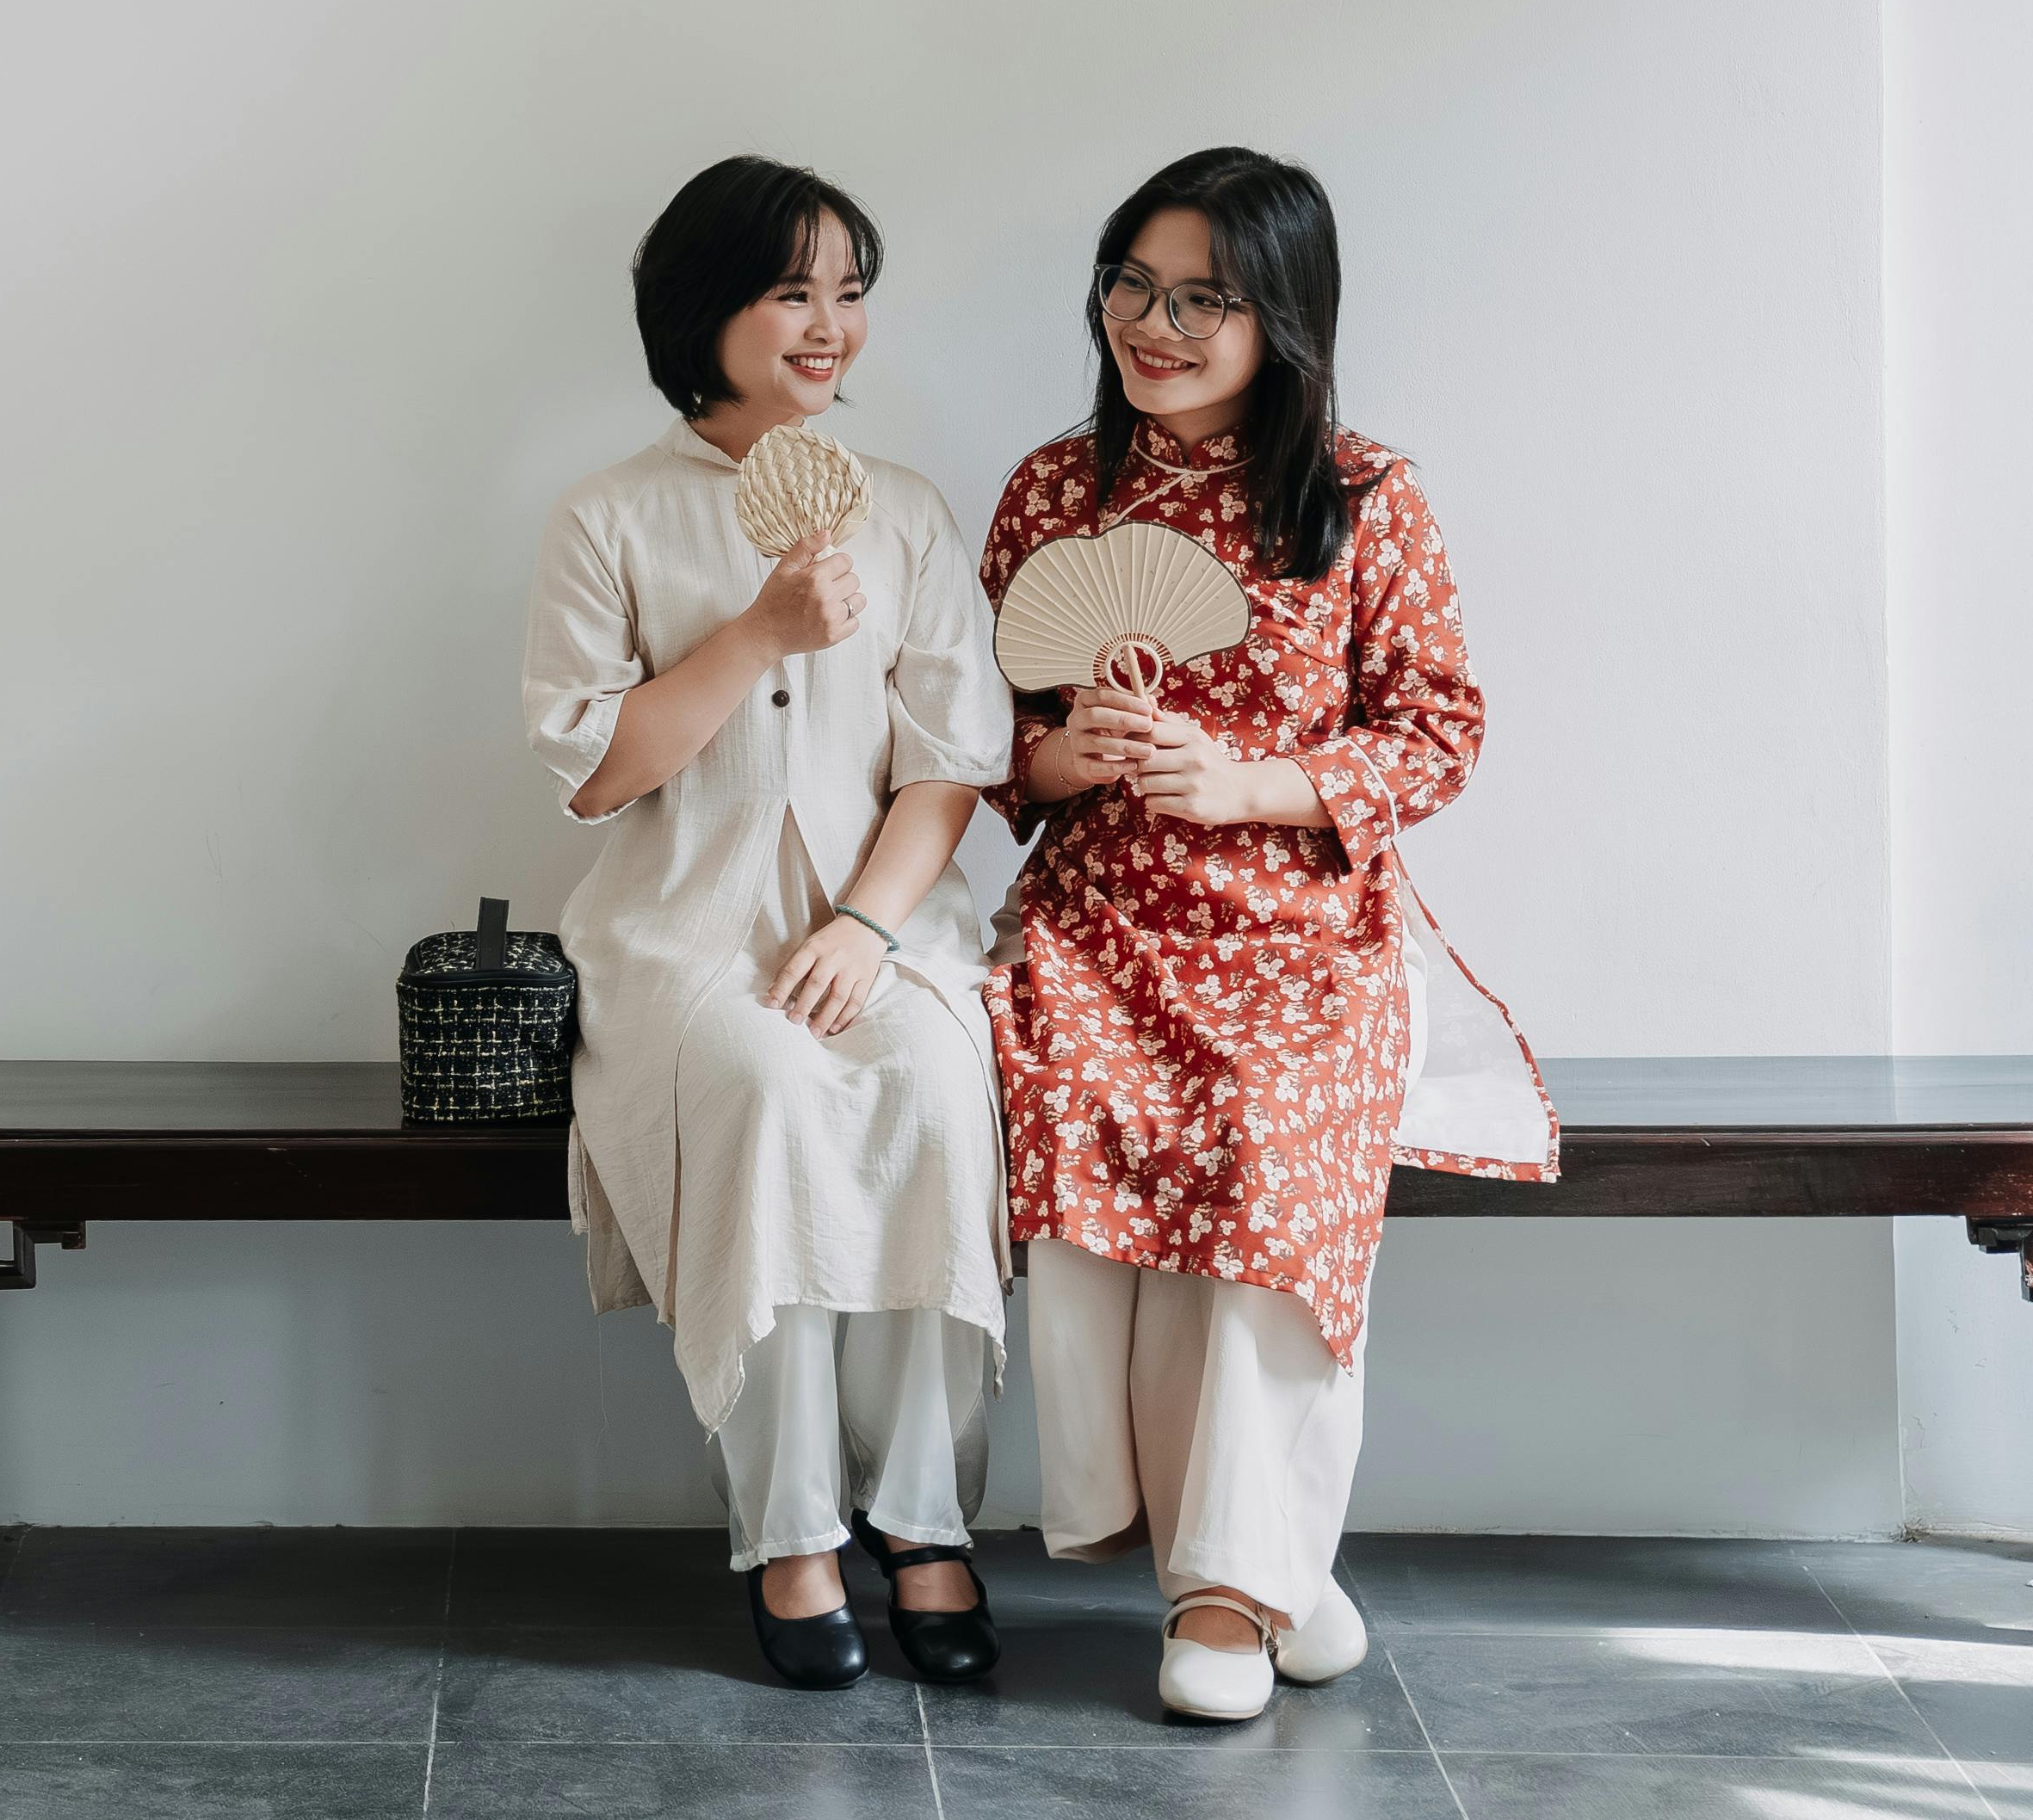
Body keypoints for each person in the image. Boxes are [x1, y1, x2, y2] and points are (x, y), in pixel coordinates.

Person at [982, 146, 1554, 1721]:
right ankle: (1240, 1549)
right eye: (1130, 284)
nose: (1150, 325)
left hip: (1306, 932)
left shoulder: (1365, 495)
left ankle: (1232, 1596)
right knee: (1069, 1103)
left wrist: (1251, 779)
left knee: (1263, 1138)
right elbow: (984, 751)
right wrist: (1064, 757)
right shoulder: (1052, 489)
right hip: (1096, 928)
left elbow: (1439, 731)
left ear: (1280, 319)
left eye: (1201, 300)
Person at [523, 156, 1017, 1692]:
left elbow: (950, 763)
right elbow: (597, 772)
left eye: (850, 292)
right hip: (684, 929)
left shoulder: (910, 513)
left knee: (934, 1090)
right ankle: (791, 1526)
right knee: (760, 1087)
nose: (829, 326)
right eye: (792, 289)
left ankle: (921, 1513)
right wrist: (756, 632)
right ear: (704, 306)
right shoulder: (608, 517)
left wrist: (869, 928)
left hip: (884, 920)